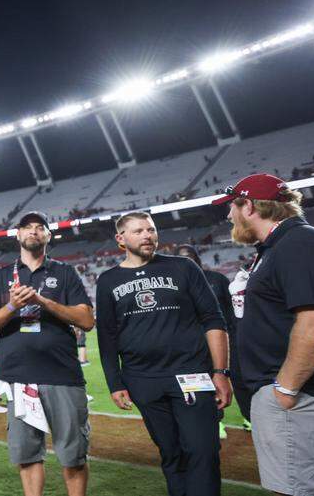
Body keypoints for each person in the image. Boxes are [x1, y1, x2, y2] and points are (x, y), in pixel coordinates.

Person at [97, 212, 230, 496]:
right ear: (121, 239)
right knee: (171, 453)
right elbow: (106, 336)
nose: (147, 235)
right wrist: (115, 382)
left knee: (203, 450)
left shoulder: (184, 267)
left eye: (151, 230)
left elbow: (213, 319)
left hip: (191, 373)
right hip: (142, 379)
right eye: (138, 231)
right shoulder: (108, 280)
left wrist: (221, 372)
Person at [213, 174, 314, 496]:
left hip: (300, 397)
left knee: (295, 490)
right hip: (296, 395)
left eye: (232, 207)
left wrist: (286, 390)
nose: (229, 216)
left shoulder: (299, 243)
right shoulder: (281, 245)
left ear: (248, 205)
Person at [0, 211, 95, 496]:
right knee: (27, 454)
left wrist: (42, 301)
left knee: (73, 455)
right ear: (18, 235)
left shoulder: (64, 272)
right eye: (27, 227)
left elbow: (86, 320)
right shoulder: (1, 276)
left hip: (62, 374)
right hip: (18, 376)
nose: (33, 231)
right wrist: (12, 306)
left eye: (39, 227)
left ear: (48, 235)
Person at [177, 243, 249, 435]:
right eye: (181, 259)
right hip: (195, 344)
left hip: (226, 339)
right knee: (201, 383)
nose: (186, 262)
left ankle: (248, 416)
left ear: (197, 260)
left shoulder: (217, 279)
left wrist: (237, 334)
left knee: (239, 377)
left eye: (189, 257)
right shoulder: (174, 287)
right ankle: (215, 420)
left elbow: (234, 308)